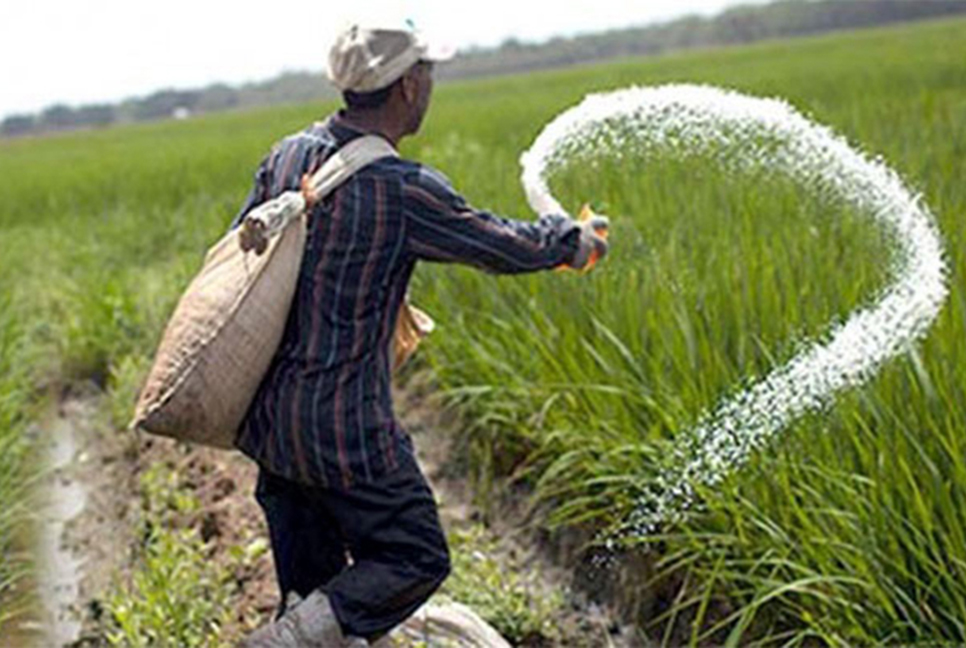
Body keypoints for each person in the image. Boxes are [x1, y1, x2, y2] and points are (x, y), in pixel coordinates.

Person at [237, 23, 609, 648]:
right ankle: (280, 643)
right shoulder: (398, 188)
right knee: (415, 556)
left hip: (273, 427)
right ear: (408, 85)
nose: (430, 84)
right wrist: (573, 242)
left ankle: (293, 633)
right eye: (427, 73)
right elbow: (498, 244)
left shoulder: (287, 157)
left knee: (315, 597)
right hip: (346, 433)